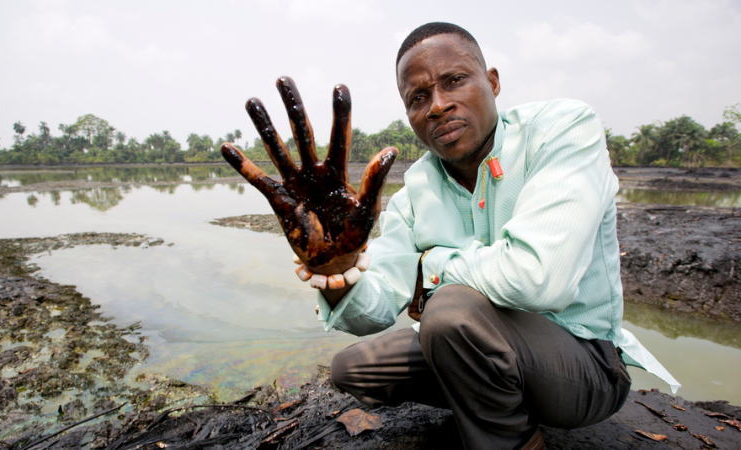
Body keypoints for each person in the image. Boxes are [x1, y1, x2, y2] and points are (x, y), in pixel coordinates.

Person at [223, 21, 678, 450]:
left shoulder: (559, 131)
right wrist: (341, 271)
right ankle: (488, 398)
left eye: (454, 80)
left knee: (448, 311)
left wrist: (433, 266)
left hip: (584, 366)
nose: (437, 104)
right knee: (355, 368)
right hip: (483, 349)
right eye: (418, 97)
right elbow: (378, 306)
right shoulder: (416, 191)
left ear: (493, 82)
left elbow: (539, 279)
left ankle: (513, 441)